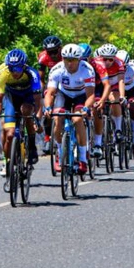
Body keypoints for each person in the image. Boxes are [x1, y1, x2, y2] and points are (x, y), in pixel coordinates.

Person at [44, 43, 96, 174]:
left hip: (81, 95)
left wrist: (86, 108)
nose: (69, 63)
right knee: (57, 118)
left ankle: (83, 158)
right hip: (64, 94)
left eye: (72, 60)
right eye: (66, 59)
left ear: (79, 59)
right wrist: (48, 108)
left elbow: (91, 95)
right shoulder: (57, 69)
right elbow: (50, 93)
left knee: (77, 120)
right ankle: (60, 154)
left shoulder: (87, 70)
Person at [0, 49, 42, 176]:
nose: (14, 72)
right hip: (12, 98)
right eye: (11, 68)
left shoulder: (32, 73)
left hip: (28, 96)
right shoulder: (3, 73)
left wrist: (38, 119)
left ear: (24, 66)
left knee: (26, 112)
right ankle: (8, 161)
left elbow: (38, 100)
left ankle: (31, 146)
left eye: (18, 69)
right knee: (9, 135)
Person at [91, 43, 126, 158]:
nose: (107, 62)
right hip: (101, 85)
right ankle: (98, 140)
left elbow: (121, 81)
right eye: (104, 59)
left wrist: (122, 96)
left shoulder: (119, 63)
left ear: (114, 58)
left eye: (110, 60)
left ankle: (118, 129)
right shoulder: (96, 62)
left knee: (114, 99)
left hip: (114, 84)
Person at [116, 50, 134, 145]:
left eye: (124, 67)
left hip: (132, 89)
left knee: (132, 107)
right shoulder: (115, 66)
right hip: (119, 89)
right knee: (117, 107)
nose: (122, 68)